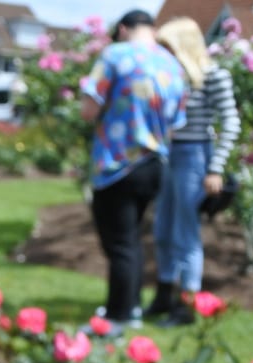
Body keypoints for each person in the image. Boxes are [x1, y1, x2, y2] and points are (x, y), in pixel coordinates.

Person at [79, 9, 187, 335]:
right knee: (133, 240)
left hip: (118, 165)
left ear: (123, 29)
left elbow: (88, 109)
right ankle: (130, 306)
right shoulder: (172, 64)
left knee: (119, 244)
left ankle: (118, 317)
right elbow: (177, 121)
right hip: (155, 164)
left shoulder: (115, 54)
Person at [147, 17, 241, 326]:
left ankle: (186, 305)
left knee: (185, 234)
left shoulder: (214, 75)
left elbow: (231, 122)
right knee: (162, 230)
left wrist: (215, 168)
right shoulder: (174, 78)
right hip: (170, 156)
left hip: (195, 157)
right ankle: (163, 295)